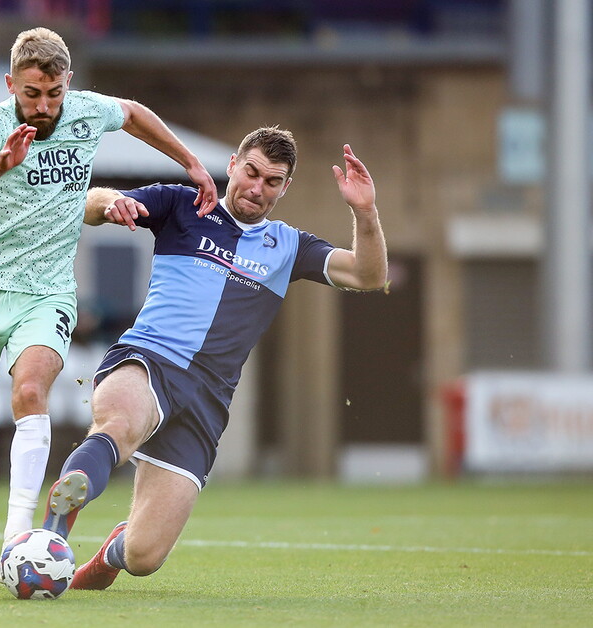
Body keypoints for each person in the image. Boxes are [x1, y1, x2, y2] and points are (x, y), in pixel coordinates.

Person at [0, 26, 218, 574]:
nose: (44, 105)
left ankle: (15, 542)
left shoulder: (85, 111)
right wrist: (1, 164)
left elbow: (133, 112)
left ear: (68, 83)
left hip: (47, 292)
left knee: (30, 390)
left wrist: (189, 163)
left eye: (54, 94)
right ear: (11, 84)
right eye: (32, 94)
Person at [41, 127, 388, 590]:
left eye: (272, 182)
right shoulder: (181, 204)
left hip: (207, 401)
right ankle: (51, 537)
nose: (257, 188)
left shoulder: (289, 247)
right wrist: (109, 204)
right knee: (119, 425)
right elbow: (92, 204)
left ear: (285, 188)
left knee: (144, 558)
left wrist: (365, 211)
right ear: (233, 166)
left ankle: (108, 555)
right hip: (150, 360)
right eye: (251, 173)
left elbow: (369, 275)